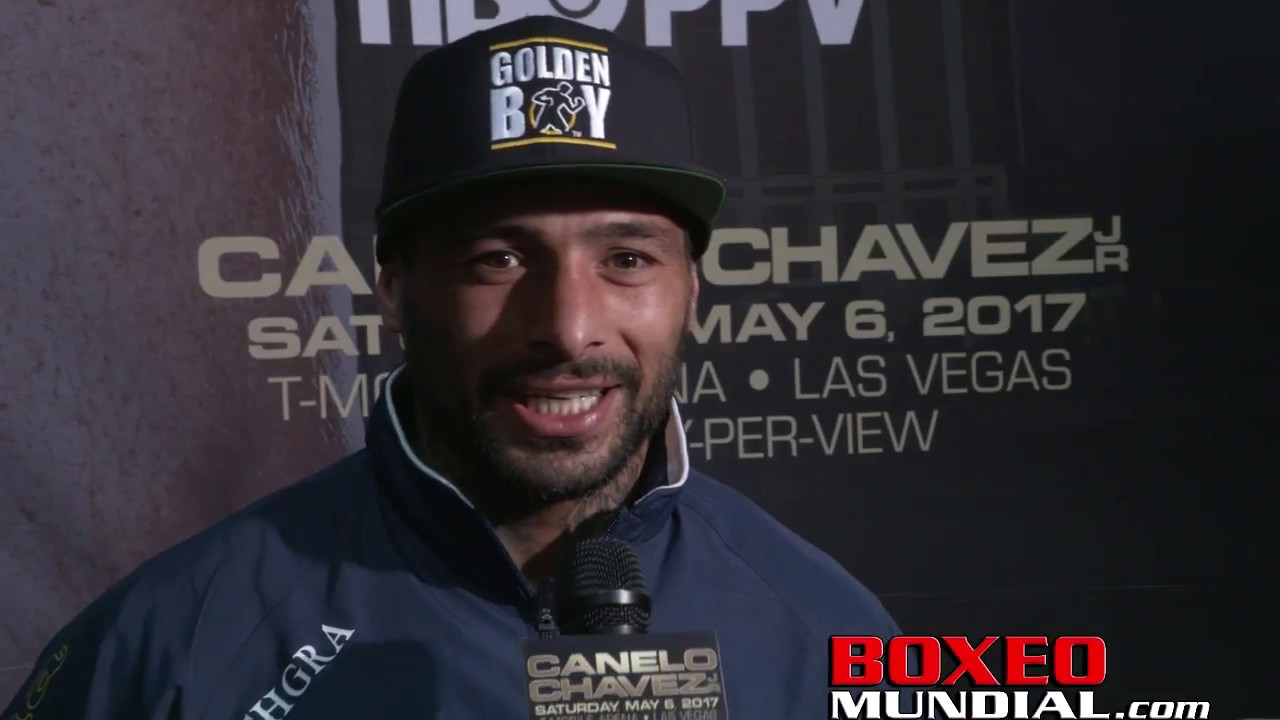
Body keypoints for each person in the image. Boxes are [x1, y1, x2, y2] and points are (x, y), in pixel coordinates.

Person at [3, 15, 906, 719]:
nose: (568, 329)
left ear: (690, 293)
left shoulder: (828, 632)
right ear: (396, 292)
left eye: (627, 260)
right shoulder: (174, 640)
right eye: (498, 260)